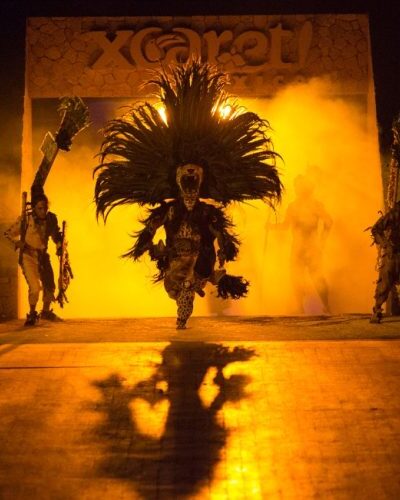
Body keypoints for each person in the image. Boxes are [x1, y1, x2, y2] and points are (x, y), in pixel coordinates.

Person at [271, 174, 332, 314]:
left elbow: (329, 222)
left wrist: (322, 240)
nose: (297, 189)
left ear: (308, 188)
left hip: (311, 247)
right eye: (296, 186)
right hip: (298, 247)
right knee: (296, 277)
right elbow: (286, 226)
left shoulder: (315, 205)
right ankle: (300, 307)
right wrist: (271, 227)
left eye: (300, 186)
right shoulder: (293, 206)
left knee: (318, 277)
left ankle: (327, 306)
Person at [4, 191, 63, 326]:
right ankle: (32, 313)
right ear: (34, 208)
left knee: (49, 284)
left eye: (45, 208)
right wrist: (17, 242)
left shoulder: (50, 220)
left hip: (43, 256)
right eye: (40, 208)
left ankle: (46, 311)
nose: (43, 211)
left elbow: (56, 236)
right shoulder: (26, 220)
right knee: (35, 287)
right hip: (28, 256)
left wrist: (59, 245)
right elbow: (7, 234)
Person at [370, 200, 400, 323]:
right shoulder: (395, 214)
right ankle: (377, 309)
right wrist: (386, 245)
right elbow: (376, 229)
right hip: (393, 254)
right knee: (386, 281)